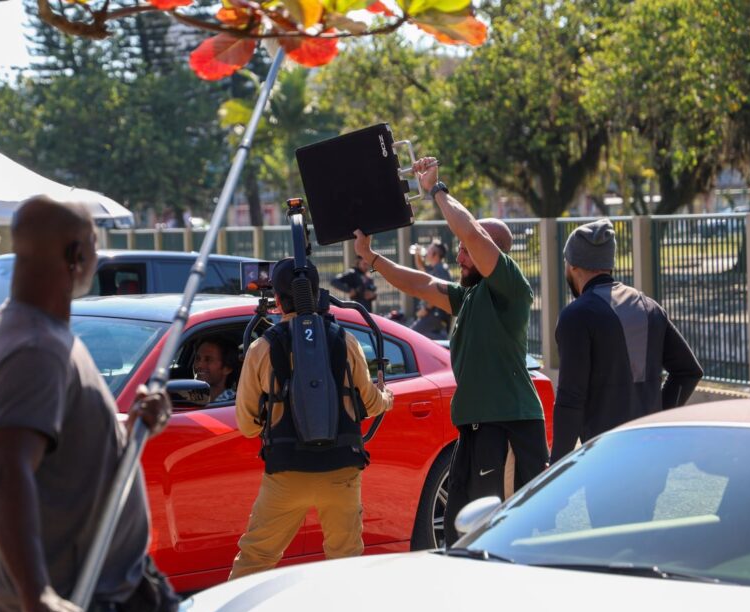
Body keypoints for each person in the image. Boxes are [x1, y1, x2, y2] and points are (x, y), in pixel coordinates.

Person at [0, 196, 171, 612]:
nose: (97, 260)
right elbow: (5, 468)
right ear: (76, 255)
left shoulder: (29, 330)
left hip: (84, 604)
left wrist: (132, 427)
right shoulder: (35, 347)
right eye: (96, 247)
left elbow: (57, 457)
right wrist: (38, 597)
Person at [353, 156, 548, 548]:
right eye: (458, 248)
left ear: (493, 255)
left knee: (503, 529)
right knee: (463, 525)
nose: (460, 255)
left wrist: (436, 190)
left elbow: (475, 234)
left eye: (466, 250)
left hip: (509, 425)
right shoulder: (471, 295)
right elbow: (422, 284)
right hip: (476, 425)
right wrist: (371, 258)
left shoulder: (509, 287)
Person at [229, 257, 394, 580]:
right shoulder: (344, 340)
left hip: (286, 473)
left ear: (277, 300)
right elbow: (370, 403)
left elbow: (247, 426)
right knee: (346, 563)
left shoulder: (262, 348)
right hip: (341, 471)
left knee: (255, 560)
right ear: (318, 293)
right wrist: (386, 398)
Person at [552, 219, 703, 464]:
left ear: (573, 265)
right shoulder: (649, 307)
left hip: (604, 458)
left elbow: (571, 398)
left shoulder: (576, 316)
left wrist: (558, 464)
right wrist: (657, 416)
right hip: (651, 454)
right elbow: (689, 371)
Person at [410, 240, 452, 339]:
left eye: (429, 250)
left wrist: (426, 309)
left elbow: (440, 292)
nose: (427, 252)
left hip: (436, 315)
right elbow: (421, 268)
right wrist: (417, 254)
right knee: (423, 338)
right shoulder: (436, 268)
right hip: (434, 315)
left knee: (412, 335)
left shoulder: (440, 269)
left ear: (435, 254)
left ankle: (443, 339)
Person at [193, 336, 238, 403]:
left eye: (208, 360)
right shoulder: (191, 397)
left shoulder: (233, 403)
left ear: (227, 368)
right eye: (197, 358)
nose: (199, 365)